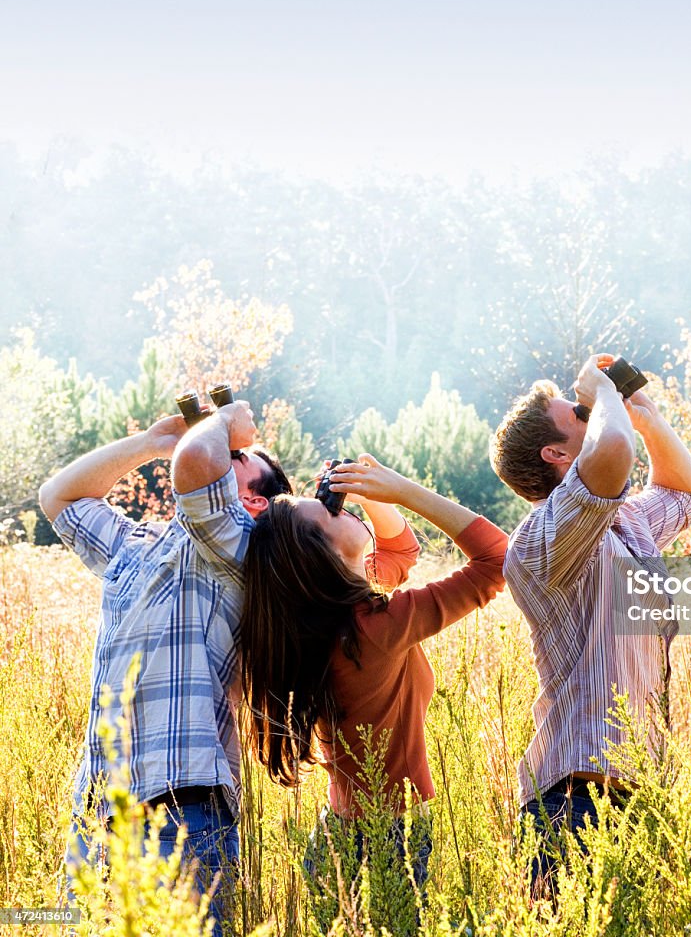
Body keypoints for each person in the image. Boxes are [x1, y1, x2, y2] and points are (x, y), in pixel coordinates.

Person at [39, 398, 292, 933]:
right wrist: (153, 442)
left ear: (253, 502)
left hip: (181, 806)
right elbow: (58, 496)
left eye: (239, 458)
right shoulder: (137, 546)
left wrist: (224, 425)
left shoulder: (240, 549)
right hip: (99, 806)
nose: (222, 452)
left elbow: (198, 472)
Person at [237, 453, 508, 931]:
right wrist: (402, 491)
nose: (337, 505)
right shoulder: (374, 627)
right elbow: (496, 559)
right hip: (389, 831)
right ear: (321, 552)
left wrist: (367, 495)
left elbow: (398, 556)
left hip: (340, 826)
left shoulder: (322, 618)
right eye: (327, 509)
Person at [490, 353, 691, 892]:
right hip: (575, 799)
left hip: (636, 792)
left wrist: (641, 413)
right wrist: (599, 392)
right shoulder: (543, 539)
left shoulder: (622, 521)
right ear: (557, 454)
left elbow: (683, 492)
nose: (594, 413)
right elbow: (612, 450)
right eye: (579, 414)